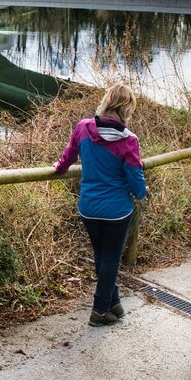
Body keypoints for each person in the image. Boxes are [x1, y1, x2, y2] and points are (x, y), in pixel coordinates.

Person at [55, 83, 147, 326]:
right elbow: (137, 183)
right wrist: (142, 192)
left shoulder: (84, 128)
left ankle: (113, 302)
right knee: (110, 260)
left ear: (106, 101)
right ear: (127, 109)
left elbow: (69, 155)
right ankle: (99, 310)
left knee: (102, 257)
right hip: (117, 211)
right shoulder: (129, 141)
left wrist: (59, 169)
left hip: (89, 207)